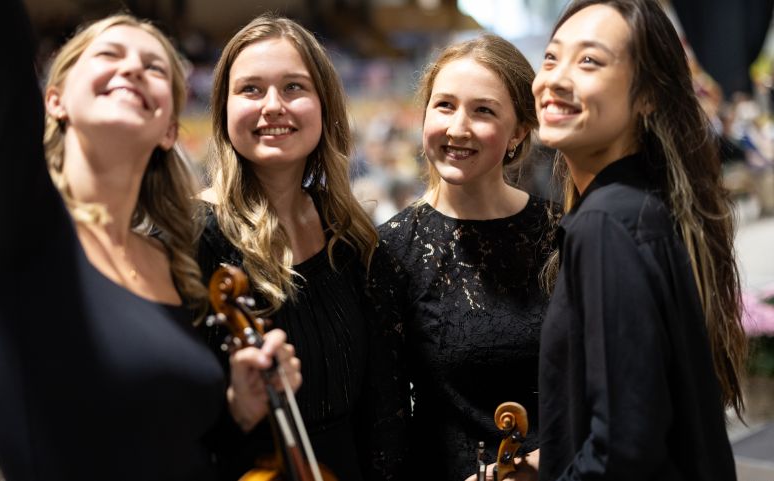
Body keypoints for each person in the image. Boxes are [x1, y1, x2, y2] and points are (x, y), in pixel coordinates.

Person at [0, 1, 299, 480]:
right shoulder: (20, 228)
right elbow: (0, 59)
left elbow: (168, 439)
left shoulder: (171, 259)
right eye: (109, 55)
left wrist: (239, 406)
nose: (133, 67)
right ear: (54, 100)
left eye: (154, 66)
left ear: (169, 129)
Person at [533, 1, 745, 479]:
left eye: (589, 61)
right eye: (551, 58)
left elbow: (625, 451)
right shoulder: (645, 204)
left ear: (648, 95)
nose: (556, 79)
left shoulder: (606, 223)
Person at [198, 14, 405, 481]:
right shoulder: (194, 239)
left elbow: (378, 404)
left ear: (324, 105)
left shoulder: (348, 234)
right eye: (250, 89)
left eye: (294, 87)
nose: (273, 105)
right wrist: (237, 406)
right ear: (223, 109)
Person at [368, 35, 559, 481]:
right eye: (445, 105)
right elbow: (385, 418)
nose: (458, 128)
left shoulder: (561, 231)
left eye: (484, 110)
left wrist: (538, 462)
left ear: (518, 132)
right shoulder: (390, 249)